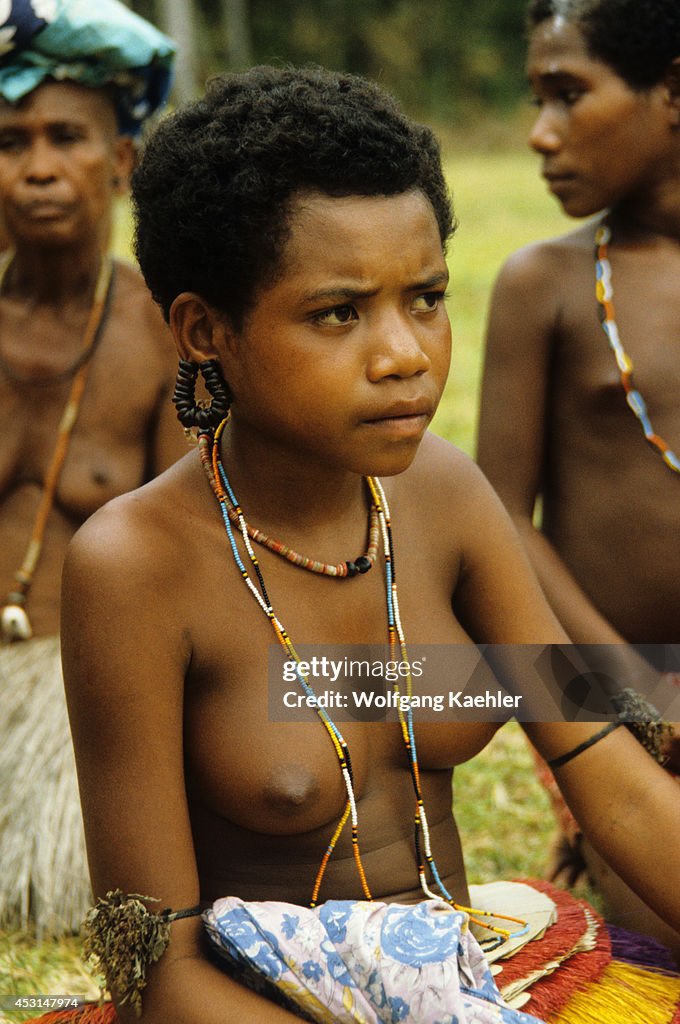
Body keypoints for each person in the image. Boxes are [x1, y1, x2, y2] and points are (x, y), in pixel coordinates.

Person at [52, 66, 680, 1024]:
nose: (406, 354)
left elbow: (604, 765)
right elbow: (158, 968)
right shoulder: (133, 567)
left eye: (424, 298)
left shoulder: (447, 494)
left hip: (475, 984)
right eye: (338, 313)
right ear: (204, 329)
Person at [477, 0, 680, 957]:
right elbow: (501, 520)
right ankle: (594, 823)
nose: (539, 132)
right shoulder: (546, 285)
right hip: (613, 701)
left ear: (673, 91)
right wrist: (632, 693)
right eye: (536, 98)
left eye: (568, 93)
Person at [0, 0, 186, 939]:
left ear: (120, 162)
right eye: (9, 140)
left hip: (82, 705)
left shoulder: (164, 332)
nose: (36, 166)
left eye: (65, 136)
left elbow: (191, 563)